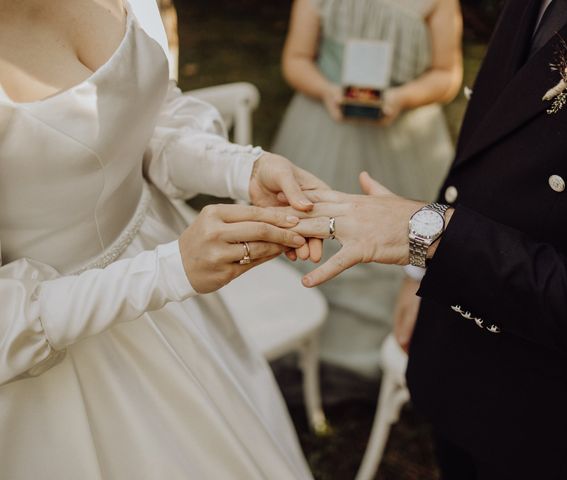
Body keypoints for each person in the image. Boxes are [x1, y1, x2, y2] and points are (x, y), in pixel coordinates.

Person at [288, 0, 567, 478]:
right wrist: (421, 269)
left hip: (560, 410)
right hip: (457, 360)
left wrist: (436, 239)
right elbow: (489, 138)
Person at [0, 0, 325, 478]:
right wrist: (168, 271)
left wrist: (240, 168)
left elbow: (148, 116)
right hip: (63, 361)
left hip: (180, 296)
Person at [272, 0, 462, 378]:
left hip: (406, 139)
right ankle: (300, 338)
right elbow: (296, 58)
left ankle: (395, 345)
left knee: (403, 243)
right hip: (325, 128)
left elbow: (447, 74)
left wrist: (400, 97)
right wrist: (327, 90)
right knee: (309, 231)